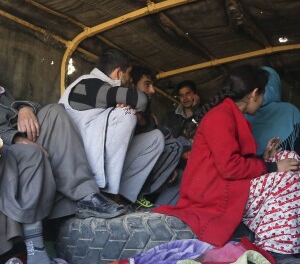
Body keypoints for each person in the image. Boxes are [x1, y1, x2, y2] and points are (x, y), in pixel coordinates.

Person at [0, 42, 126, 264]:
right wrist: (14, 138)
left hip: (21, 135)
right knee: (29, 153)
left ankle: (86, 195)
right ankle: (35, 247)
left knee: (55, 111)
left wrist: (26, 107)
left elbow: (23, 108)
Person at [154, 65, 300, 264]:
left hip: (227, 181)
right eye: (262, 95)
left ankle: (279, 239)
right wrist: (270, 167)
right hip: (213, 190)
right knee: (288, 179)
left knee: (288, 157)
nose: (263, 101)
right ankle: (277, 251)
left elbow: (232, 159)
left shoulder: (230, 114)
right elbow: (229, 167)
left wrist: (265, 158)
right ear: (254, 94)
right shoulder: (220, 117)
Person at [59, 49, 164, 204]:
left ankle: (124, 198)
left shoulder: (103, 88)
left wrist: (139, 115)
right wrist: (130, 105)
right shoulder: (87, 84)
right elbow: (141, 100)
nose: (129, 82)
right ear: (118, 73)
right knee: (125, 115)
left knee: (156, 138)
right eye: (128, 75)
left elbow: (150, 124)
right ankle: (107, 195)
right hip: (76, 161)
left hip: (97, 157)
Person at [128, 65, 182, 204]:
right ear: (132, 85)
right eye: (147, 84)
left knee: (180, 175)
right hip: (125, 173)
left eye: (152, 85)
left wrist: (170, 166)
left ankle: (158, 213)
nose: (152, 90)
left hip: (148, 169)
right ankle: (135, 198)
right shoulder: (124, 111)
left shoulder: (151, 117)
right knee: (175, 143)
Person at [245, 66, 300, 156]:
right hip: (291, 165)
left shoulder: (243, 115)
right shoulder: (290, 111)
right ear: (276, 86)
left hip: (256, 167)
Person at [167, 80, 200, 145]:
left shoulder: (205, 113)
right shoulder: (172, 116)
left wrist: (195, 109)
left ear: (195, 95)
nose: (184, 98)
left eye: (188, 94)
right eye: (181, 95)